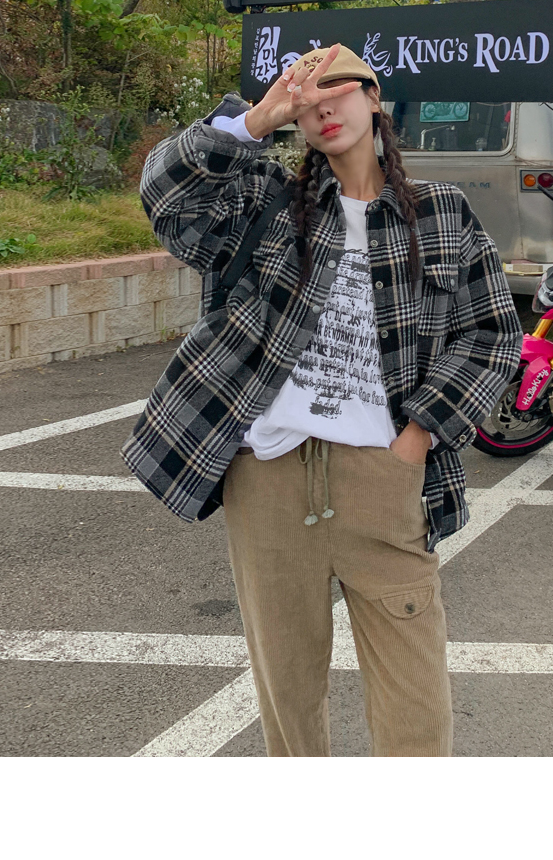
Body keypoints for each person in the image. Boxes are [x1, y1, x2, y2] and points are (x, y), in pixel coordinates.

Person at [122, 42, 521, 756]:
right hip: (269, 478)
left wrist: (418, 439)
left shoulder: (442, 214)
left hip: (383, 476)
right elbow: (168, 200)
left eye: (338, 88)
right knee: (288, 698)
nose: (322, 105)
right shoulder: (268, 203)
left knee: (416, 711)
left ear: (374, 98)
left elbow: (493, 336)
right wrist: (257, 119)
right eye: (306, 98)